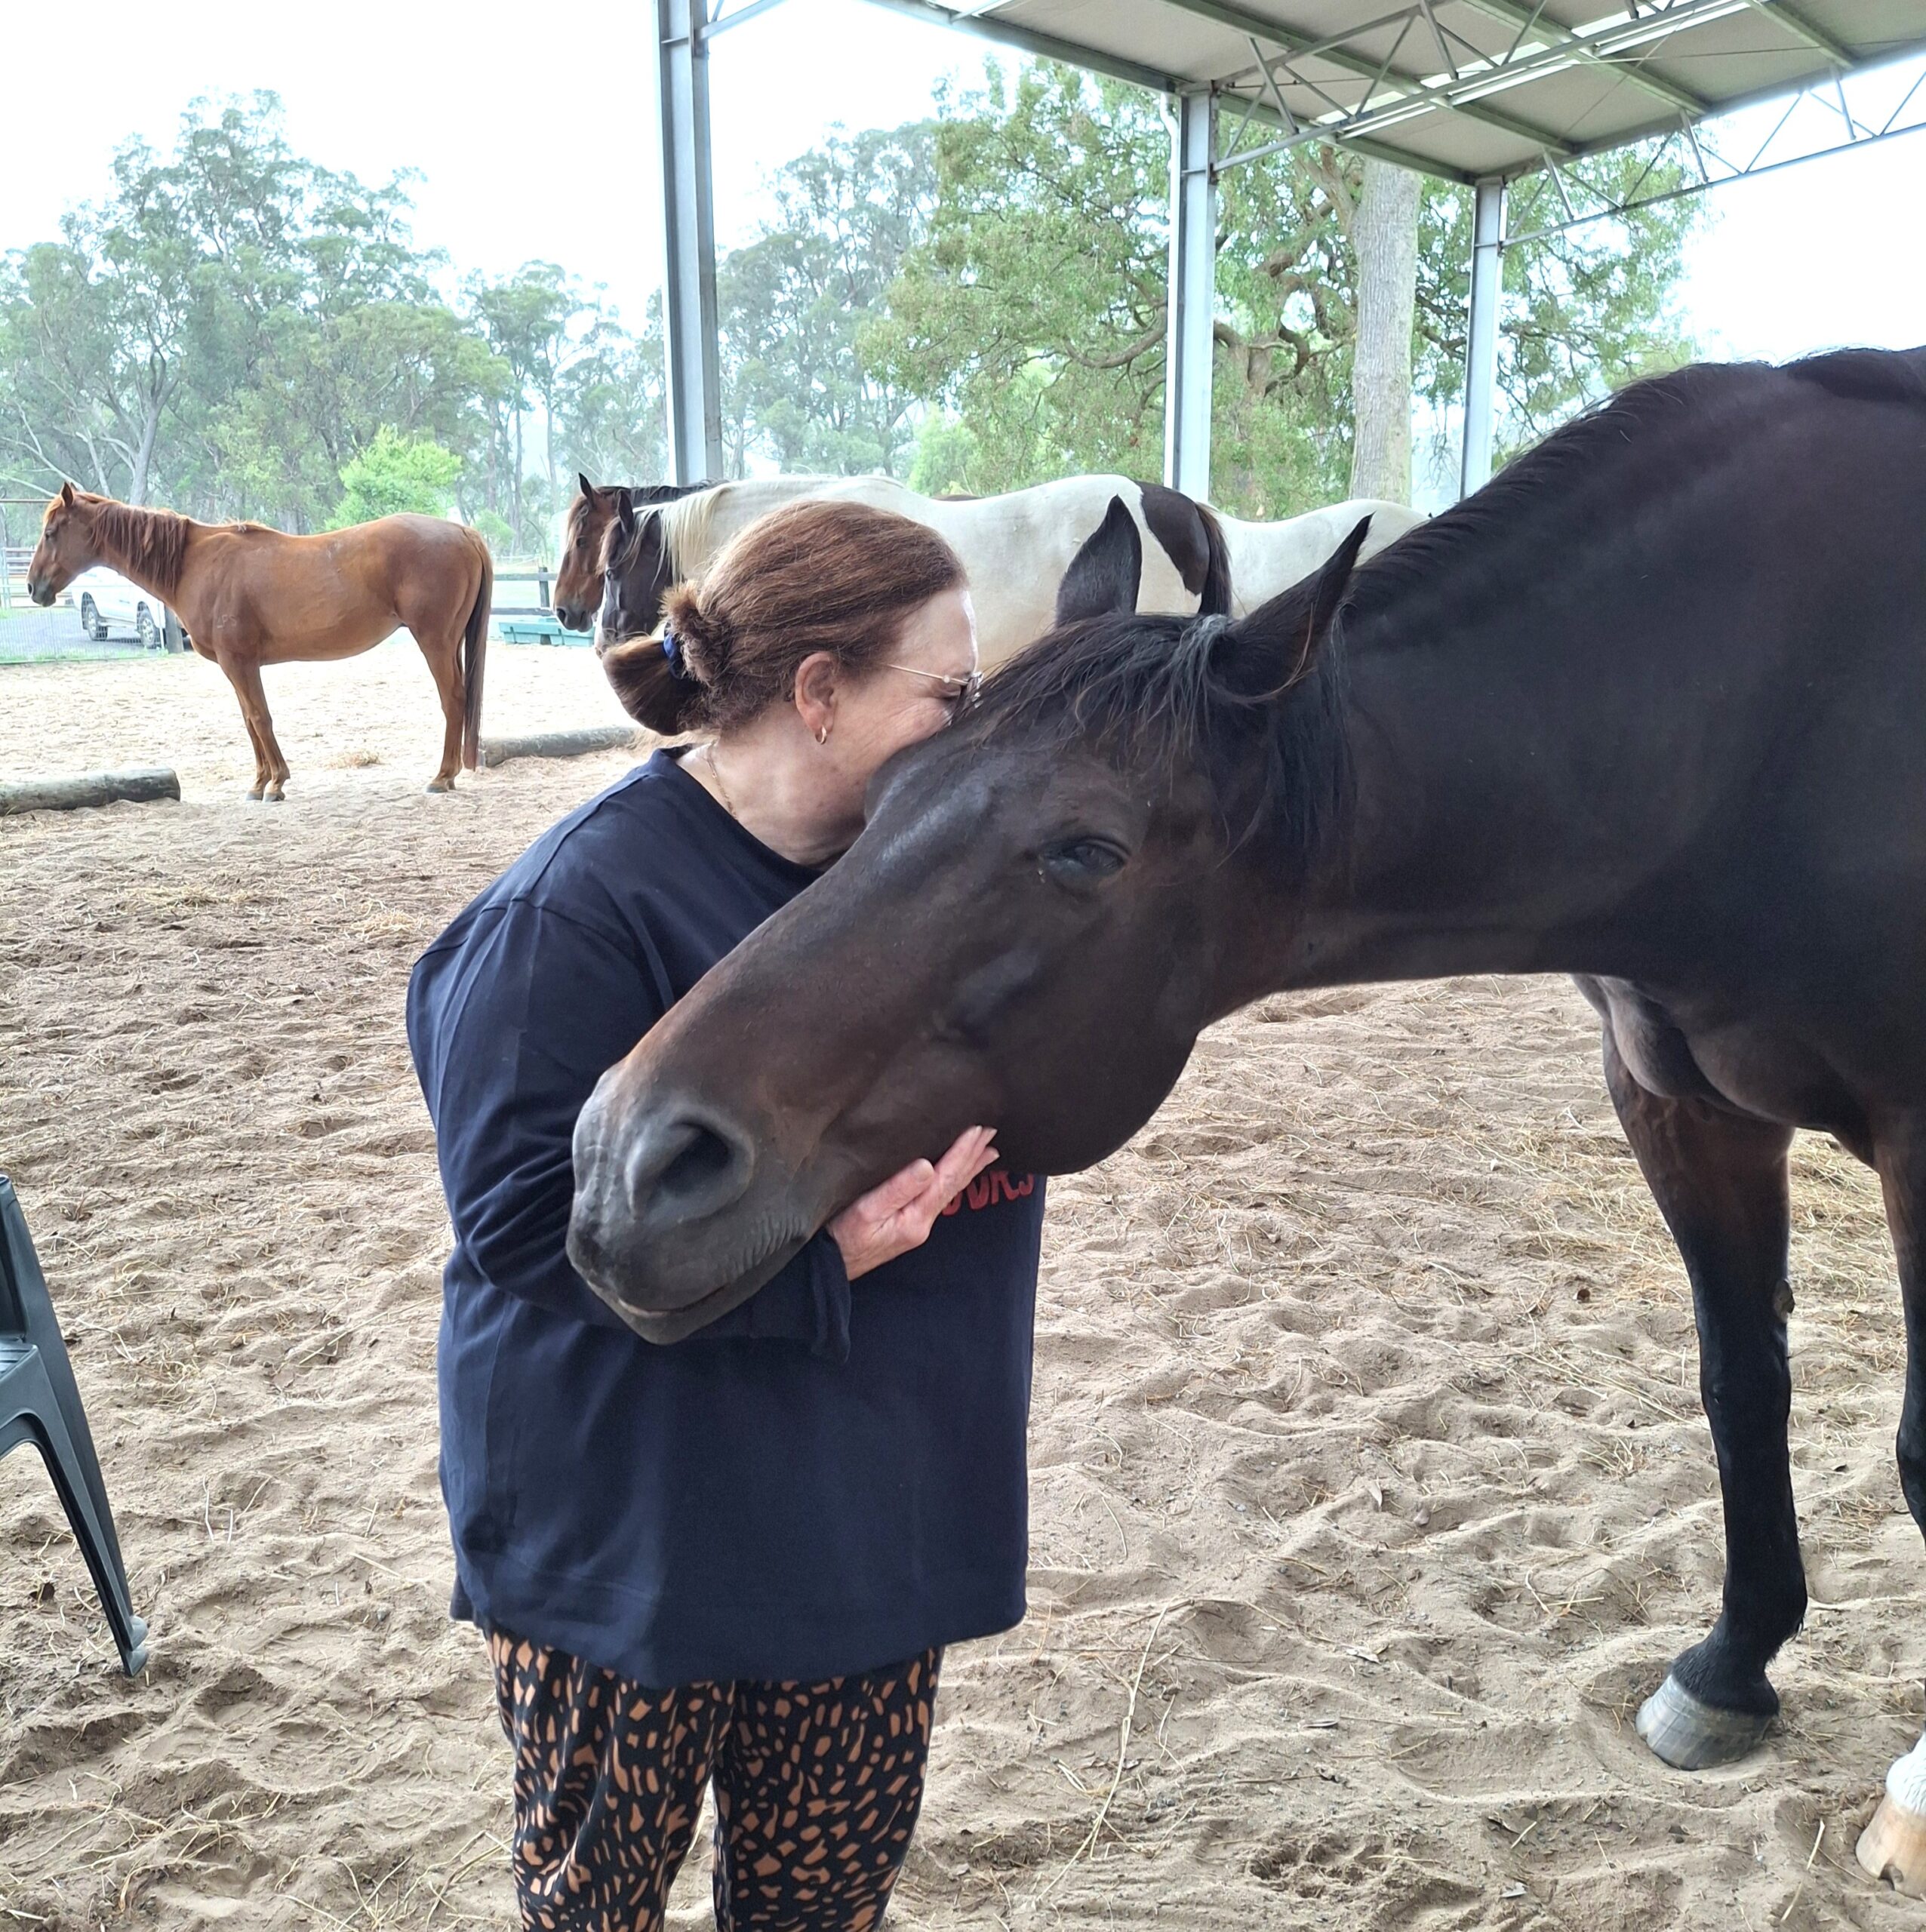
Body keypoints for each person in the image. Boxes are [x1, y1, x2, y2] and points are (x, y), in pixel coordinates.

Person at [406, 499, 1045, 1932]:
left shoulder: (940, 890)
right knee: (598, 1910)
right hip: (639, 1550)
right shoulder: (579, 911)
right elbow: (519, 1219)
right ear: (819, 694)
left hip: (863, 1533)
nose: (973, 728)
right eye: (949, 695)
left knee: (825, 1908)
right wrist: (822, 1261)